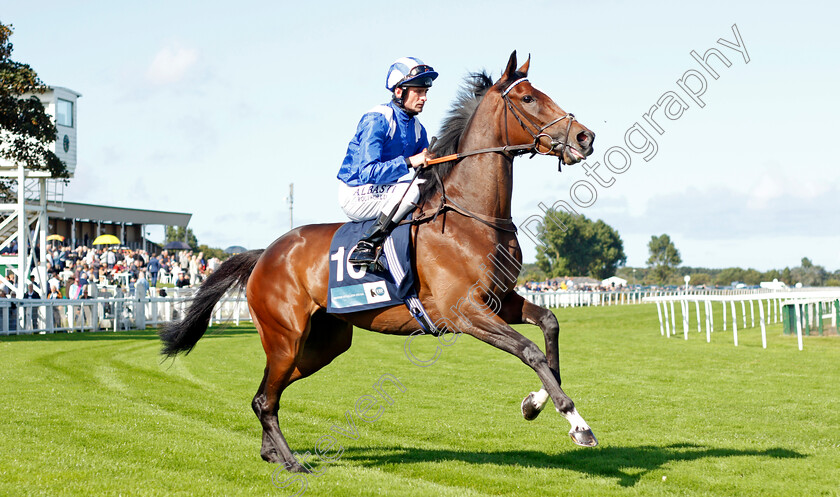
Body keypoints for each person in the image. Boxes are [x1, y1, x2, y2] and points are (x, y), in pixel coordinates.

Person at [337, 57, 438, 269]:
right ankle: (366, 245)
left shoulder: (418, 128)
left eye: (426, 92)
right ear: (399, 92)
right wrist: (411, 161)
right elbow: (368, 172)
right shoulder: (377, 119)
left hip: (383, 190)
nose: (424, 98)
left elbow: (426, 171)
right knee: (410, 191)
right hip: (356, 191)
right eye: (418, 92)